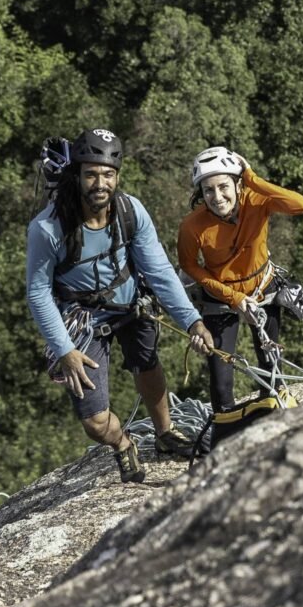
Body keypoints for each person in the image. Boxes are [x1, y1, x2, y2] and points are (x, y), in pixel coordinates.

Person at [26, 128, 214, 483]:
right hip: (81, 320)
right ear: (77, 175)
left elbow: (159, 271)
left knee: (147, 364)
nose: (101, 183)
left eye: (108, 174)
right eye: (91, 174)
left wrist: (192, 321)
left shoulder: (130, 211)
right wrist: (64, 350)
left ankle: (165, 433)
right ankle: (123, 443)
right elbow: (38, 293)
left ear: (118, 176)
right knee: (95, 422)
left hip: (130, 305)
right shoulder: (48, 228)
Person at [177, 147, 303, 426]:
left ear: (238, 184)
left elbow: (300, 205)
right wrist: (233, 297)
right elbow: (189, 265)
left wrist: (252, 178)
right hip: (220, 296)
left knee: (270, 363)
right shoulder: (193, 226)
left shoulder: (257, 200)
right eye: (208, 190)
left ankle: (275, 420)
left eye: (224, 186)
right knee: (221, 378)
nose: (217, 197)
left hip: (262, 288)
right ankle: (226, 429)